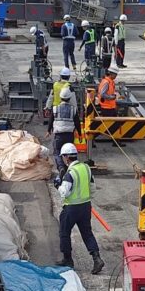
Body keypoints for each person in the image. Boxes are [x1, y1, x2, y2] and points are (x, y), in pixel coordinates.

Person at [55, 143, 105, 274]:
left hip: (71, 208)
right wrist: (86, 199)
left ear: (66, 157)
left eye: (63, 157)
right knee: (87, 233)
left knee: (64, 233)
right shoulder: (86, 168)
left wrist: (57, 185)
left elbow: (64, 193)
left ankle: (68, 259)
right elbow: (93, 187)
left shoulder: (70, 174)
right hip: (85, 207)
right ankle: (97, 258)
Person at [48, 87, 80, 172]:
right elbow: (77, 122)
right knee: (69, 152)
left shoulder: (55, 108)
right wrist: (80, 134)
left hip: (59, 135)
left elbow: (51, 120)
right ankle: (69, 169)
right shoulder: (73, 109)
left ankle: (61, 167)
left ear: (60, 97)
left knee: (57, 152)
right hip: (69, 135)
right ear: (69, 98)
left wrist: (48, 131)